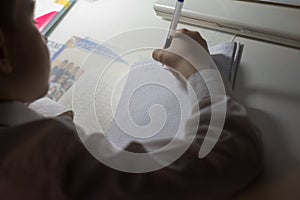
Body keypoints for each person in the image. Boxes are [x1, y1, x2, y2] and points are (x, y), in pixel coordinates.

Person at [0, 0, 262, 199]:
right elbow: (226, 155)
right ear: (2, 53)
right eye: (32, 24)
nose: (44, 36)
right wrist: (202, 72)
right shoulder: (53, 163)